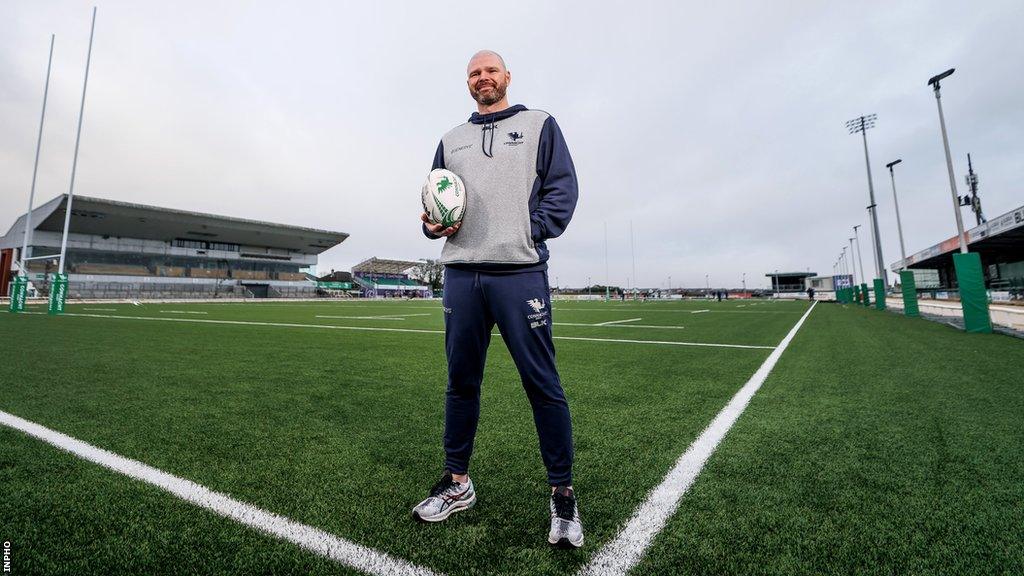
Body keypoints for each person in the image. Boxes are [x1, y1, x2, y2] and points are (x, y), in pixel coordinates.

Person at [412, 50, 583, 548]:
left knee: (542, 384)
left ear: (507, 77)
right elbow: (435, 196)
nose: (482, 78)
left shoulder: (539, 124)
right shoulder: (450, 139)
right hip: (462, 274)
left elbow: (562, 189)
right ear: (466, 82)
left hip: (520, 273)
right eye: (473, 73)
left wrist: (528, 231)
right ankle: (457, 483)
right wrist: (430, 225)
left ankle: (563, 495)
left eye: (490, 71)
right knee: (460, 382)